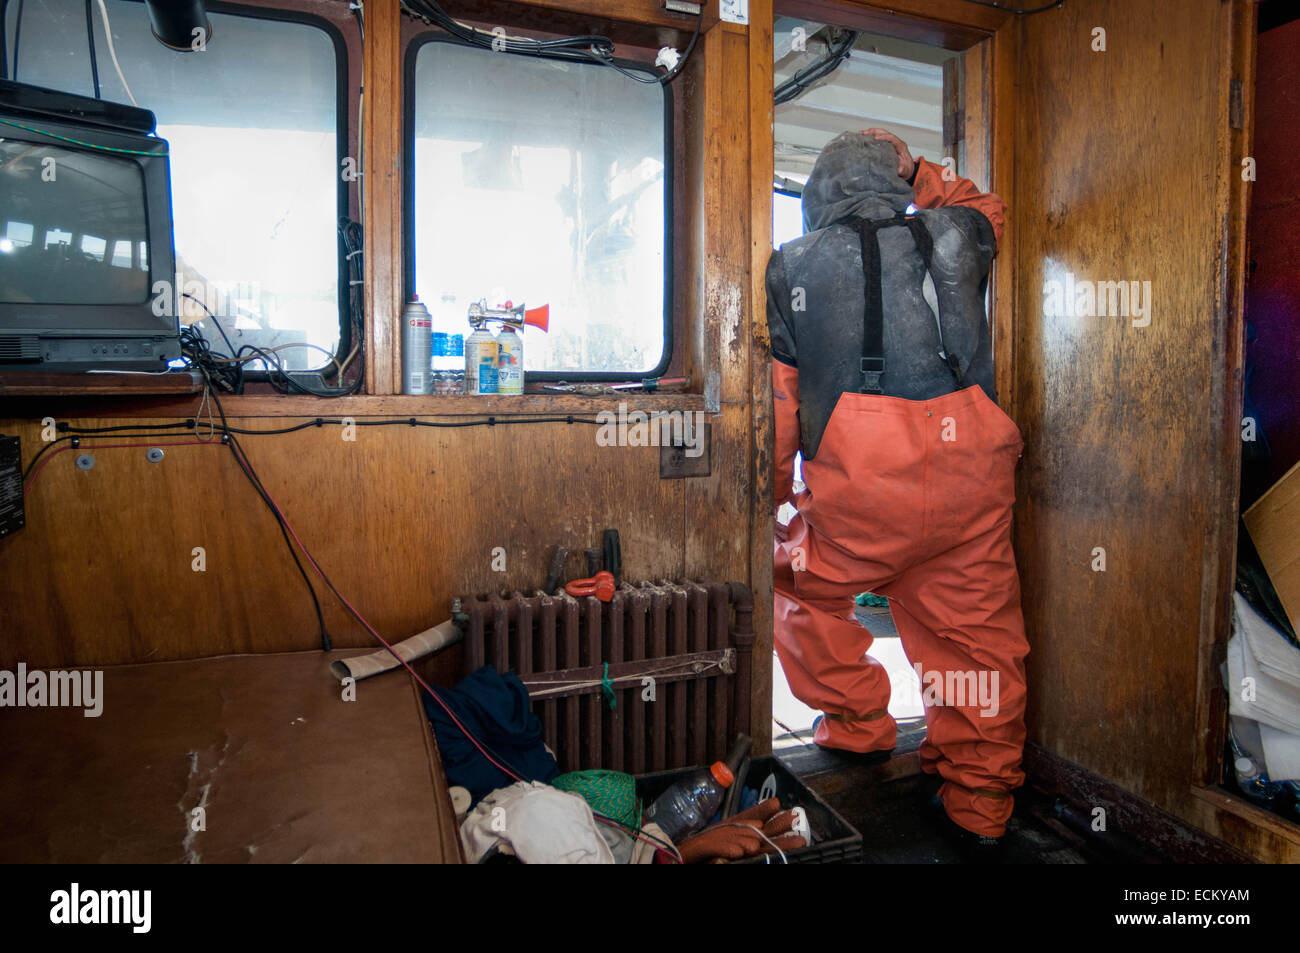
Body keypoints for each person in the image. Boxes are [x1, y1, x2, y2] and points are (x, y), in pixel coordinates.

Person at [767, 128, 1028, 851]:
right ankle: (980, 806)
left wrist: (772, 495)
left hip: (862, 487)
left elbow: (783, 401)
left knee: (795, 588)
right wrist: (919, 169)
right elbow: (988, 203)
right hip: (971, 482)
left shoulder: (790, 264)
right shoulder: (957, 231)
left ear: (818, 195)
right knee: (979, 645)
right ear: (897, 184)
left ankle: (856, 725)